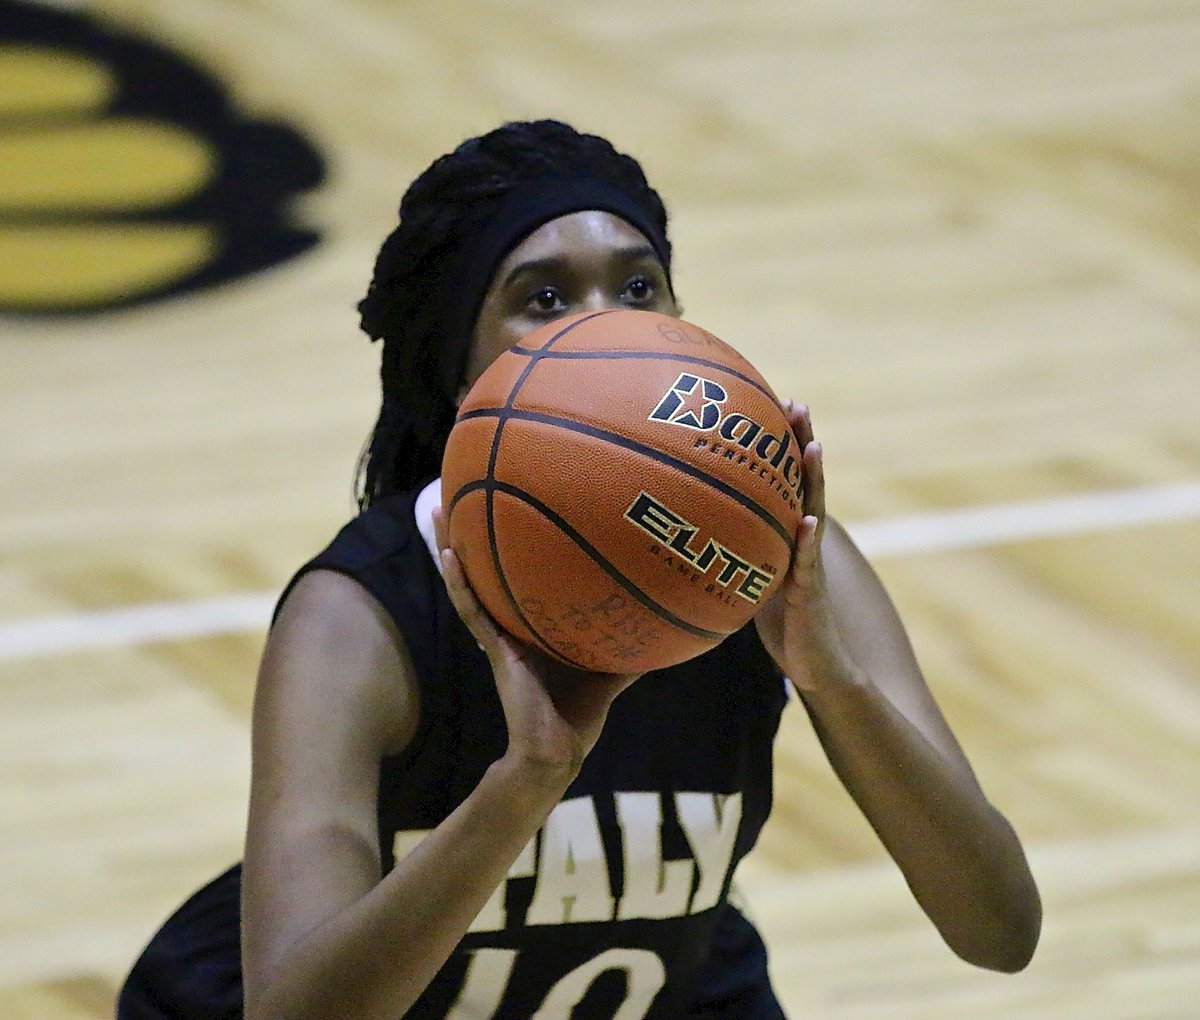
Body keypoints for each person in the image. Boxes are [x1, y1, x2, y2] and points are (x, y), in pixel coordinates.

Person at [117, 119, 1041, 1020]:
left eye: (638, 288)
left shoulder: (784, 557)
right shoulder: (360, 617)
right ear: (462, 372)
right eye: (545, 299)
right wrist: (527, 780)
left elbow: (999, 930)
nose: (606, 329)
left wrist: (832, 680)